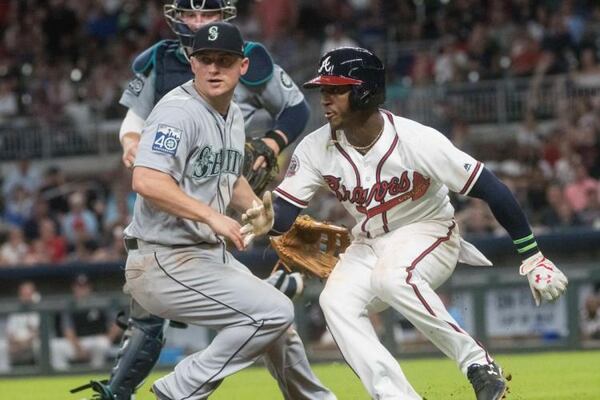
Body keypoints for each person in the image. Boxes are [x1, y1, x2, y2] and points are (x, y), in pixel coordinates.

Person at [240, 47, 569, 400]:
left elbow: (492, 188)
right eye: (324, 90)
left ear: (364, 90)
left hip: (429, 230)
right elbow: (284, 213)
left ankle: (478, 364)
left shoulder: (416, 140)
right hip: (367, 241)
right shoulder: (315, 147)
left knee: (392, 277)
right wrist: (269, 221)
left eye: (335, 89)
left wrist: (532, 255)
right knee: (336, 301)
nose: (325, 98)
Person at [80, 1, 315, 399]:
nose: (213, 68)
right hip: (164, 258)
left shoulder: (231, 115)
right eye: (205, 59)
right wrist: (213, 217)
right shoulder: (177, 111)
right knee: (275, 312)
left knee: (278, 323)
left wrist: (252, 208)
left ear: (243, 67)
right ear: (192, 63)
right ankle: (177, 391)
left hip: (199, 257)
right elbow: (146, 180)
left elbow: (229, 175)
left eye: (224, 60)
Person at [51, 275, 121, 371]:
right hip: (75, 342)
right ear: (74, 288)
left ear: (89, 287)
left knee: (102, 343)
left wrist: (108, 339)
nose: (82, 290)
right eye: (79, 286)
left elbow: (116, 324)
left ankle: (96, 374)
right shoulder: (69, 304)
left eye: (84, 286)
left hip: (95, 341)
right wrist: (78, 348)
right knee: (55, 346)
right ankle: (64, 376)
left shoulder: (100, 301)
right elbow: (67, 329)